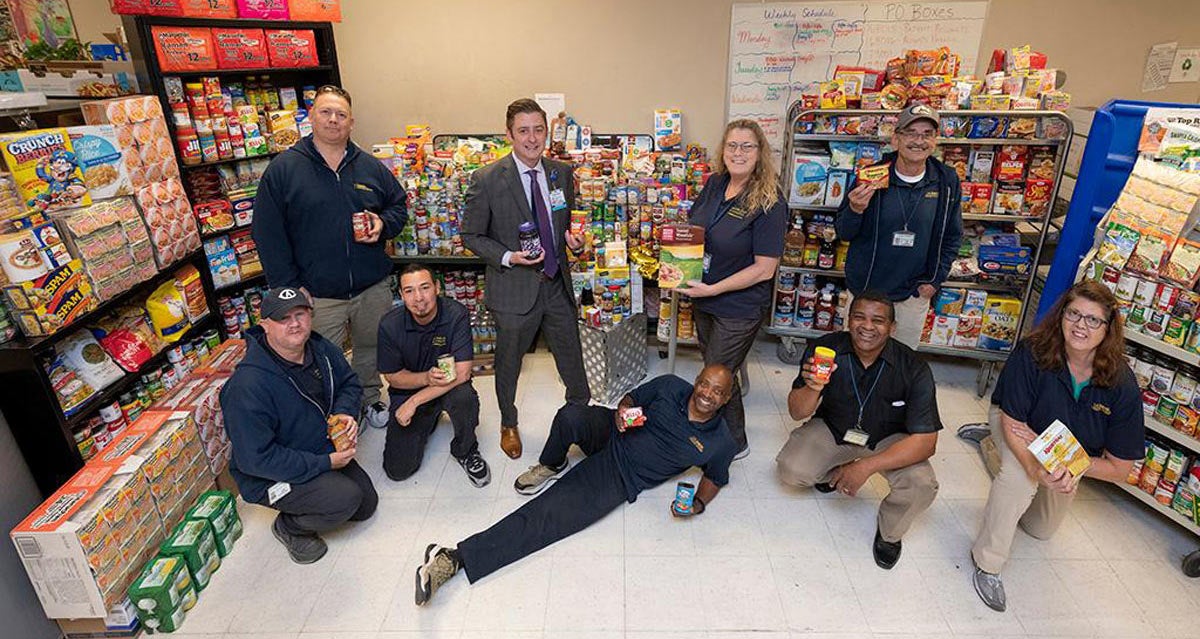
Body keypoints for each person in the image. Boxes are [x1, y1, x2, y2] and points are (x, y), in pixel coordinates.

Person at [413, 365, 738, 605]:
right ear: (696, 382)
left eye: (717, 391)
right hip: (617, 432)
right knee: (571, 416)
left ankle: (455, 558)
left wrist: (696, 505)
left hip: (622, 473)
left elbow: (715, 477)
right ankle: (552, 462)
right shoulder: (670, 386)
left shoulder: (720, 441)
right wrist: (623, 411)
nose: (707, 394)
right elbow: (633, 397)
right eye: (704, 384)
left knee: (548, 515)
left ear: (726, 399)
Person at [970, 280, 1145, 612]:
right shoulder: (1032, 351)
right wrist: (1037, 466)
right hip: (1016, 427)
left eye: (1093, 320)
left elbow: (1121, 469)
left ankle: (991, 451)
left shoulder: (1122, 383)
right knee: (1019, 480)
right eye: (1074, 314)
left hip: (1065, 455)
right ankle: (987, 563)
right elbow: (1012, 421)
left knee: (1041, 529)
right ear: (1061, 315)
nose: (1080, 326)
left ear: (1108, 329)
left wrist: (1066, 466)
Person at [252, 84, 408, 429]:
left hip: (371, 286)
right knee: (321, 358)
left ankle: (369, 399)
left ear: (351, 122)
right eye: (326, 112)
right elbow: (267, 234)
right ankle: (333, 413)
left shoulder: (369, 166)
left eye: (341, 114)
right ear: (312, 117)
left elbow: (399, 207)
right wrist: (290, 289)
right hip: (317, 293)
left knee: (370, 349)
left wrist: (382, 223)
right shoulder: (284, 170)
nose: (333, 120)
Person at [461, 97, 590, 459]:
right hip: (513, 288)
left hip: (556, 283)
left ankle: (580, 418)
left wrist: (575, 244)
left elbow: (564, 227)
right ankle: (508, 422)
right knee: (509, 363)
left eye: (538, 130)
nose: (532, 139)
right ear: (509, 135)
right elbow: (470, 235)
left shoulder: (560, 173)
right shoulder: (486, 179)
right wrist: (508, 256)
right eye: (523, 131)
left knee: (572, 360)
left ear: (547, 132)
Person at [776, 290, 941, 569]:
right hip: (835, 427)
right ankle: (835, 472)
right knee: (792, 470)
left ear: (892, 328)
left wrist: (866, 467)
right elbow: (797, 412)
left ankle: (890, 534)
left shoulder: (913, 367)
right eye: (859, 317)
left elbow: (927, 442)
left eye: (878, 321)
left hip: (888, 438)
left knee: (922, 484)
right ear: (848, 320)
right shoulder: (826, 350)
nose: (867, 326)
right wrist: (813, 387)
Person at [220, 287, 378, 564]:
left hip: (318, 447)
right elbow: (256, 460)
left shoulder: (321, 348)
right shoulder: (248, 386)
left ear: (310, 315)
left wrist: (345, 413)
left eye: (300, 314)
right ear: (264, 325)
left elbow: (349, 384)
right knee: (344, 500)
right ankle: (289, 527)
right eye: (283, 318)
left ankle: (322, 490)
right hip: (270, 475)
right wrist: (326, 463)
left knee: (365, 505)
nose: (294, 323)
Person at [682, 118, 787, 458]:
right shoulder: (715, 183)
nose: (738, 152)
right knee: (719, 370)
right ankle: (725, 433)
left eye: (747, 146)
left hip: (739, 306)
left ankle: (734, 443)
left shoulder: (769, 200)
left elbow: (765, 268)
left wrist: (714, 290)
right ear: (722, 150)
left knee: (716, 375)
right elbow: (695, 230)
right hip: (704, 296)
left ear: (760, 153)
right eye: (732, 145)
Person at [835, 103, 963, 348]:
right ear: (895, 139)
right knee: (854, 353)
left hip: (913, 294)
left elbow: (953, 235)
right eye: (911, 133)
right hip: (866, 290)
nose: (919, 141)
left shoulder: (946, 180)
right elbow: (844, 232)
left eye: (927, 134)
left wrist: (934, 281)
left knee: (901, 363)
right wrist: (855, 210)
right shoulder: (871, 175)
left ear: (936, 141)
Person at [376, 263, 490, 486]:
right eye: (409, 291)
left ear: (437, 287)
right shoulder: (390, 325)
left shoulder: (456, 314)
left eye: (425, 287)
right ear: (401, 295)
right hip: (408, 389)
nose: (418, 297)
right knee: (397, 470)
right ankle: (429, 418)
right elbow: (392, 375)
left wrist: (416, 401)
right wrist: (425, 380)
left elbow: (463, 372)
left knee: (464, 397)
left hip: (449, 387)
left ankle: (466, 450)